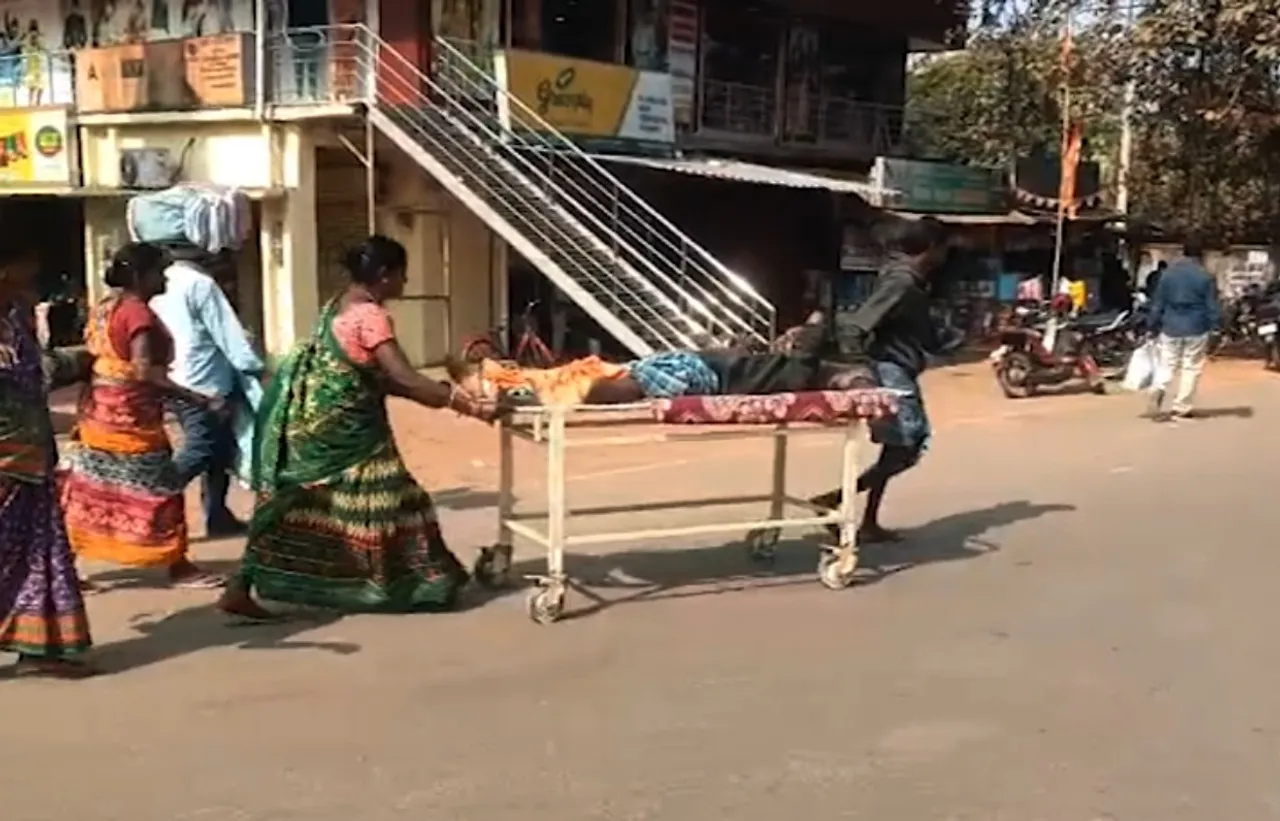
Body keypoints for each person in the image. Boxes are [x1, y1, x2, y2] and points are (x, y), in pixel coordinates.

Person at [218, 236, 506, 621]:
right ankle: (416, 585)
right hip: (347, 434)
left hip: (315, 425)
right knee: (400, 501)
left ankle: (242, 584)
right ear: (385, 276)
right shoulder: (371, 317)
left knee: (292, 503)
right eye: (402, 275)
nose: (405, 283)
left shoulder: (337, 305)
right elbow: (404, 376)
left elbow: (382, 381)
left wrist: (444, 399)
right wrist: (468, 405)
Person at [60, 242, 226, 589]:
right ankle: (178, 567)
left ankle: (66, 571)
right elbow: (144, 371)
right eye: (158, 270)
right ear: (140, 275)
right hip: (132, 423)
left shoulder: (106, 306)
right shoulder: (138, 314)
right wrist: (197, 397)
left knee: (89, 492)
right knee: (161, 490)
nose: (164, 277)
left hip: (99, 417)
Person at [808, 216, 950, 544]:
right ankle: (834, 500)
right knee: (907, 446)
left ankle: (868, 521)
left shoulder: (910, 282)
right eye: (943, 249)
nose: (945, 257)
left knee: (895, 448)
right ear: (931, 249)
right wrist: (862, 371)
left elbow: (923, 335)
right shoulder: (900, 283)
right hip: (890, 372)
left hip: (900, 369)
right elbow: (856, 326)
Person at [0, 243, 95, 678]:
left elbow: (37, 371)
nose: (34, 273)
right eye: (26, 265)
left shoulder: (18, 314)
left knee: (40, 554)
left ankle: (40, 645)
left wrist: (76, 359)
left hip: (33, 454)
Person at [150, 246, 263, 538]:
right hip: (205, 380)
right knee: (202, 449)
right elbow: (227, 332)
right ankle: (155, 501)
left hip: (177, 374)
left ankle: (218, 515)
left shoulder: (165, 281)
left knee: (219, 451)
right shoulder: (201, 285)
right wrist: (253, 367)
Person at [1147, 237, 1220, 421]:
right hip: (1196, 326)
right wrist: (1216, 327)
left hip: (1171, 325)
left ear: (1183, 252)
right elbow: (1212, 305)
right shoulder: (1205, 276)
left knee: (1167, 364)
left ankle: (1159, 389)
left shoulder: (1168, 274)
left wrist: (1152, 325)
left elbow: (1158, 303)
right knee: (1191, 367)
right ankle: (1182, 407)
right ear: (1201, 255)